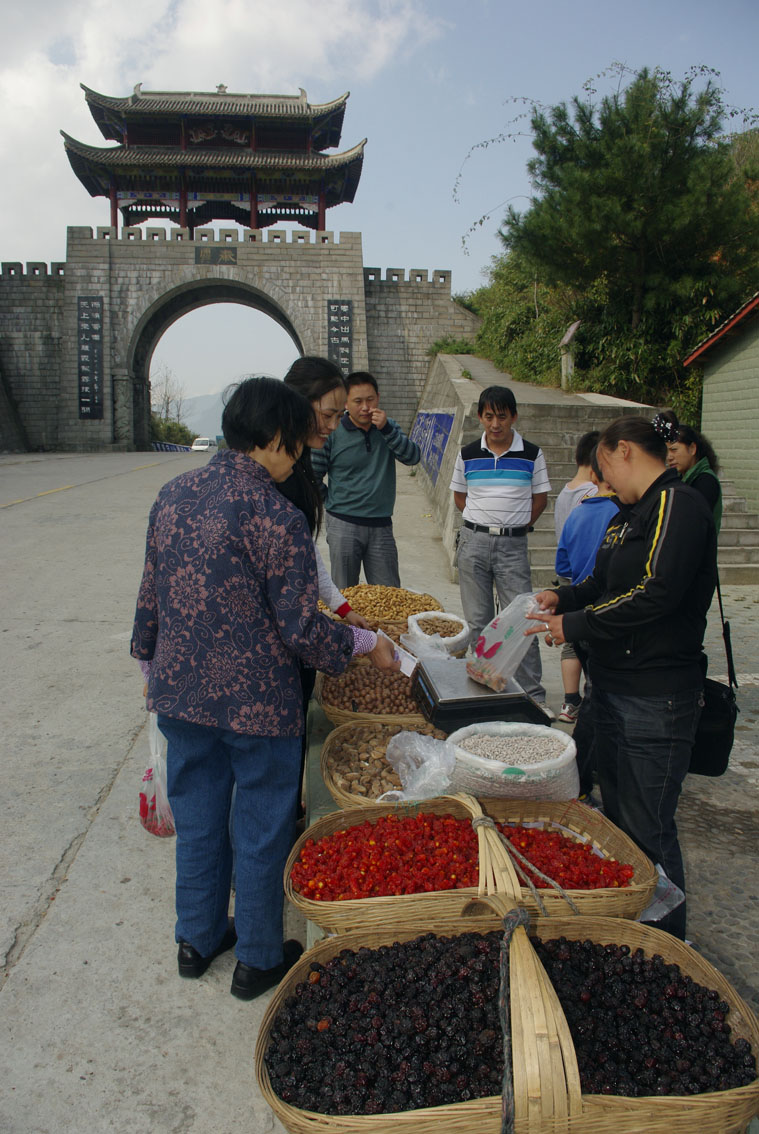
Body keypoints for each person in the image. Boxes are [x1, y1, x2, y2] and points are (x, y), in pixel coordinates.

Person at [131, 377, 397, 1000]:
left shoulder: (172, 495)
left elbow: (150, 594)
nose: (300, 457)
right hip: (258, 706)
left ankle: (196, 940)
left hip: (182, 696)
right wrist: (364, 643)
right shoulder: (276, 516)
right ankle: (256, 957)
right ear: (275, 438)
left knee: (199, 820)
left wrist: (150, 664)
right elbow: (302, 629)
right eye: (297, 443)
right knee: (259, 828)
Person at [526, 414, 717, 939]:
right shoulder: (626, 515)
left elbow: (656, 592)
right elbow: (600, 583)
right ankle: (624, 928)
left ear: (624, 450)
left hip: (655, 698)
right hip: (610, 689)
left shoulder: (678, 505)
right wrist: (561, 597)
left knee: (647, 827)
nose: (601, 480)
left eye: (604, 466)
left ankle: (667, 945)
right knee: (610, 815)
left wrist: (574, 625)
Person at [279, 356, 369, 821]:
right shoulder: (272, 482)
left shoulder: (299, 467)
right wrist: (362, 641)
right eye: (329, 414)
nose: (334, 425)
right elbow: (294, 621)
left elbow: (307, 554)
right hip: (273, 656)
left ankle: (285, 812)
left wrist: (342, 606)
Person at [450, 384, 551, 709]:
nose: (496, 424)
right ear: (480, 417)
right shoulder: (467, 453)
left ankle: (532, 697)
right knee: (478, 621)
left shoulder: (532, 454)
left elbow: (540, 499)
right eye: (489, 416)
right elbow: (460, 496)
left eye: (502, 417)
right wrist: (481, 522)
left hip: (513, 546)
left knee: (523, 620)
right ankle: (485, 688)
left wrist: (515, 525)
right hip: (473, 543)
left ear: (514, 417)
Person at [310, 370, 421, 589]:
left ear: (378, 398)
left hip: (381, 525)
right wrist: (332, 500)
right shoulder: (333, 431)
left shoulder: (388, 427)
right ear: (345, 403)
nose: (365, 407)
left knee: (389, 595)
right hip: (343, 524)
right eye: (358, 401)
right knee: (345, 593)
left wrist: (387, 430)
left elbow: (412, 457)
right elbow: (313, 475)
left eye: (370, 400)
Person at [554, 449, 620, 796]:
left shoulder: (577, 513)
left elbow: (563, 566)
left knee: (594, 694)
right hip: (604, 615)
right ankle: (583, 779)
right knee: (599, 697)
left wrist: (564, 598)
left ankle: (582, 776)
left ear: (594, 476)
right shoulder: (622, 515)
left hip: (580, 606)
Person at [553, 430, 600, 721]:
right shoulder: (593, 494)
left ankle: (570, 702)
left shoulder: (565, 492)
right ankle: (593, 698)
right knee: (591, 638)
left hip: (566, 575)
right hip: (587, 577)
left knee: (569, 638)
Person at [661, 411, 723, 534]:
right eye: (666, 451)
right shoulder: (681, 479)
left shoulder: (706, 481)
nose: (669, 457)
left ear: (692, 449)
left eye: (674, 450)